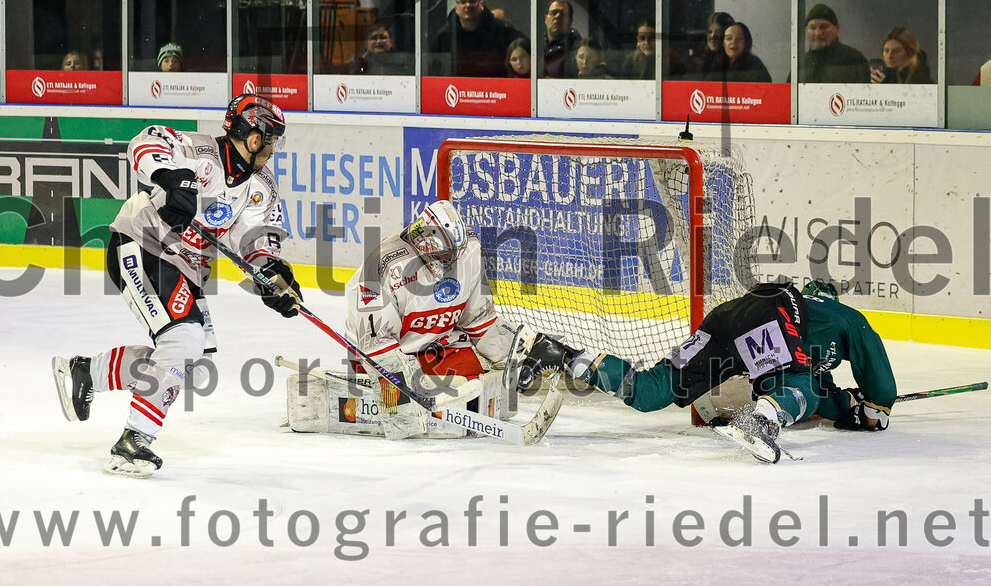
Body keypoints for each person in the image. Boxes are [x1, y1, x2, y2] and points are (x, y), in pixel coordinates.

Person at [52, 94, 301, 478]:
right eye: (271, 139)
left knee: (196, 367)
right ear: (253, 136)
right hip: (141, 243)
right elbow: (144, 140)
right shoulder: (195, 151)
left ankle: (90, 372)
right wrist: (169, 175)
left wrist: (273, 275)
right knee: (183, 338)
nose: (272, 149)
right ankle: (134, 441)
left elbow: (255, 241)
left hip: (186, 267)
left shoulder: (262, 187)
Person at [515, 280, 897, 462]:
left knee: (652, 392)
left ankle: (564, 354)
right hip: (772, 310)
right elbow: (878, 382)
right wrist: (875, 408)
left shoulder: (800, 338)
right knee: (802, 387)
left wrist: (846, 405)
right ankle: (761, 422)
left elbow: (810, 382)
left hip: (726, 319)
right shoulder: (846, 319)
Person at [323, 200, 521, 439]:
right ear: (424, 244)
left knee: (472, 387)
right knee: (401, 412)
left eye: (454, 251)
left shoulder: (468, 248)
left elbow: (478, 320)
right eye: (443, 253)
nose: (451, 259)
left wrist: (516, 353)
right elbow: (377, 347)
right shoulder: (380, 268)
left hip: (438, 345)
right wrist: (404, 394)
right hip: (386, 354)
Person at [429, 0, 524, 78]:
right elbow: (433, 72)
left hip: (497, 90)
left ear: (481, 5)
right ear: (456, 8)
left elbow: (525, 53)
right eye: (462, 1)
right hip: (458, 91)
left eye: (472, 1)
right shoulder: (443, 37)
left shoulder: (503, 30)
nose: (468, 5)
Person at [800, 4, 868, 83]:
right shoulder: (801, 64)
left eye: (824, 27)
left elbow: (866, 93)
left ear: (837, 28)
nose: (818, 33)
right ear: (806, 30)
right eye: (813, 28)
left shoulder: (854, 60)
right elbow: (788, 93)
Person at [619, 20, 683, 80]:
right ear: (637, 41)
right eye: (642, 38)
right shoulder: (632, 58)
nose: (647, 42)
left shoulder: (670, 57)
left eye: (652, 38)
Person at [686, 11, 735, 80]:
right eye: (710, 32)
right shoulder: (700, 61)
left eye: (718, 32)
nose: (712, 36)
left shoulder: (737, 63)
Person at [541, 0, 582, 78]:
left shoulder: (579, 51)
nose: (557, 16)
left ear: (570, 21)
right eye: (554, 12)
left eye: (563, 14)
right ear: (546, 19)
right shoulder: (535, 48)